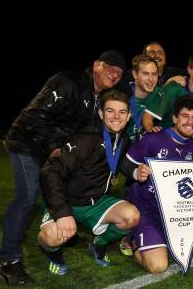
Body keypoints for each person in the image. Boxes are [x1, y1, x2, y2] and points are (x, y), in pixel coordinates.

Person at [0, 50, 126, 286]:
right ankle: (9, 262)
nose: (114, 74)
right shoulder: (68, 82)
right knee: (27, 197)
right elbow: (35, 117)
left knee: (65, 181)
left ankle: (65, 229)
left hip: (56, 148)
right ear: (96, 65)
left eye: (119, 72)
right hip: (27, 144)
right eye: (110, 68)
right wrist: (56, 149)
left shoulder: (102, 95)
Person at [37, 90, 139, 275]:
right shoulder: (86, 138)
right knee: (52, 237)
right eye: (110, 111)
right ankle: (53, 254)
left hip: (97, 201)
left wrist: (135, 171)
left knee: (131, 217)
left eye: (122, 112)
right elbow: (50, 170)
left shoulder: (123, 140)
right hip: (68, 202)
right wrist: (62, 214)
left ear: (129, 115)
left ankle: (97, 244)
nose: (116, 116)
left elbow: (123, 163)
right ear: (101, 113)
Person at [121, 95, 193, 273]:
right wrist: (136, 172)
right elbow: (126, 163)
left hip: (176, 211)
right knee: (158, 266)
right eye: (185, 116)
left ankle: (161, 242)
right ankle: (135, 241)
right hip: (148, 209)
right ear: (175, 118)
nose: (189, 122)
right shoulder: (153, 138)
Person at [144, 52, 193, 132]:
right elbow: (147, 116)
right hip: (170, 141)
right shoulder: (172, 89)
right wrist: (151, 131)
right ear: (189, 70)